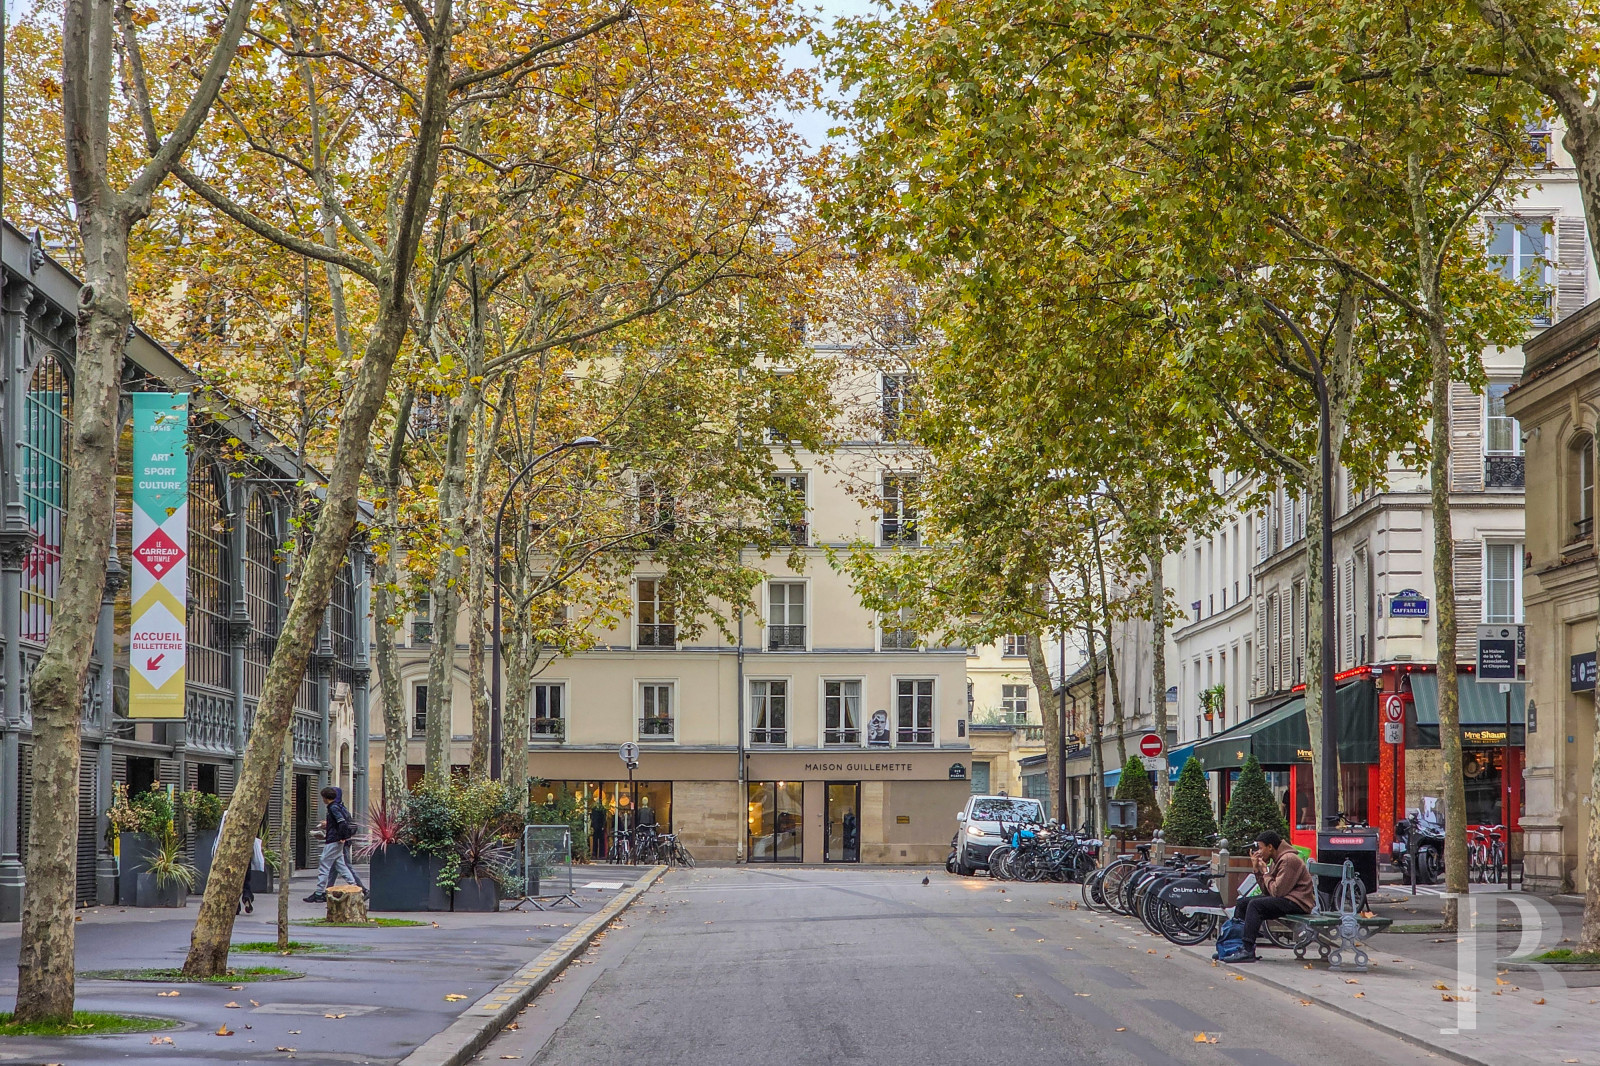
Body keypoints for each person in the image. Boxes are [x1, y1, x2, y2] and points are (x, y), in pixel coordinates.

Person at [1222, 830, 1314, 964]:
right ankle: (1235, 946)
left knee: (1255, 905)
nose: (1258, 852)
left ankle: (1247, 950)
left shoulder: (1288, 859)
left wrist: (1265, 872)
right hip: (1287, 898)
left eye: (1260, 848)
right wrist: (1257, 870)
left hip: (1298, 902)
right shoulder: (1277, 859)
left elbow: (1277, 892)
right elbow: (1267, 890)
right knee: (1243, 903)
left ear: (1270, 847)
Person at [305, 786, 365, 903]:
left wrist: (342, 837)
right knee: (341, 865)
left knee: (324, 865)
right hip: (337, 840)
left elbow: (341, 823)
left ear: (325, 798)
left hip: (333, 841)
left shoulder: (333, 808)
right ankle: (354, 887)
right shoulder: (339, 807)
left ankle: (319, 893)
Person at [214, 810, 266, 915]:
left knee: (230, 880)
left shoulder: (227, 814)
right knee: (245, 879)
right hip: (245, 852)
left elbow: (220, 835)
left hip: (229, 853)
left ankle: (235, 905)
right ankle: (247, 895)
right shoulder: (250, 814)